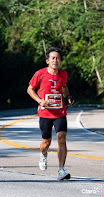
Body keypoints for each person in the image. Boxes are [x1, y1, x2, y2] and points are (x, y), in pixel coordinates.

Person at [27, 47, 74, 180]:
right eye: (53, 58)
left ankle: (61, 170)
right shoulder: (40, 74)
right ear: (47, 61)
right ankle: (43, 154)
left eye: (58, 58)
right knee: (46, 142)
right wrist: (40, 101)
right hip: (45, 113)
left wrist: (68, 96)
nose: (55, 60)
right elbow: (30, 89)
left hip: (60, 112)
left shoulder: (63, 74)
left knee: (62, 139)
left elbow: (64, 87)